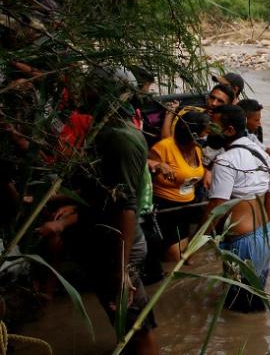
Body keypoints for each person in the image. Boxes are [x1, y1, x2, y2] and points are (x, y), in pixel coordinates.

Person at [73, 76, 159, 353]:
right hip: (109, 245)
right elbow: (104, 192)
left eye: (89, 86)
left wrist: (121, 272)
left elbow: (126, 205)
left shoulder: (120, 138)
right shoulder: (104, 131)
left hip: (119, 249)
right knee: (125, 326)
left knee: (137, 329)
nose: (82, 90)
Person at [204, 104, 270, 312]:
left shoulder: (225, 161)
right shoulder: (262, 154)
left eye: (213, 126)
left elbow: (216, 206)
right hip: (264, 236)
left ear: (229, 131)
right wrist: (263, 226)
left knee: (238, 309)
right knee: (254, 303)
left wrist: (197, 243)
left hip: (241, 245)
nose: (209, 130)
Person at [148, 109, 210, 262]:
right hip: (165, 208)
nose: (206, 136)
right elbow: (144, 164)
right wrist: (158, 164)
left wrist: (207, 172)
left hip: (186, 208)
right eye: (204, 132)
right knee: (174, 258)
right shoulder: (164, 147)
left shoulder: (196, 149)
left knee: (185, 256)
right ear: (193, 133)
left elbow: (198, 170)